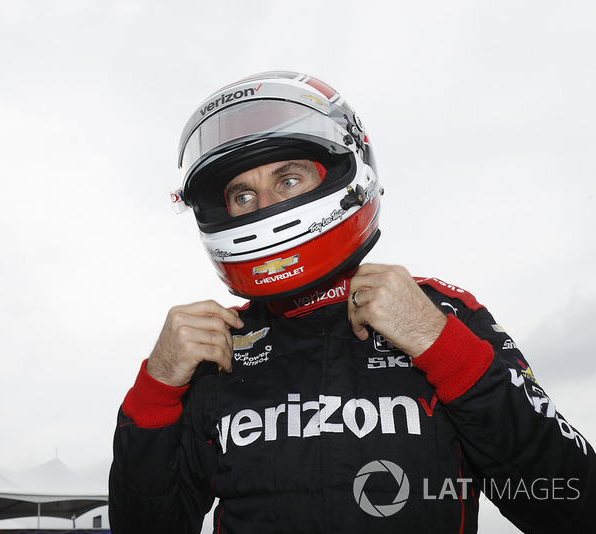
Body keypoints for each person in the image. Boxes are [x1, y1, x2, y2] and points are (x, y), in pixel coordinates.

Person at [108, 71, 594, 533]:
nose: (266, 206)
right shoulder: (217, 348)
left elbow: (570, 501)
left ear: (343, 173)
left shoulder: (441, 313)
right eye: (242, 195)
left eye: (289, 179)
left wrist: (439, 346)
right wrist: (155, 393)